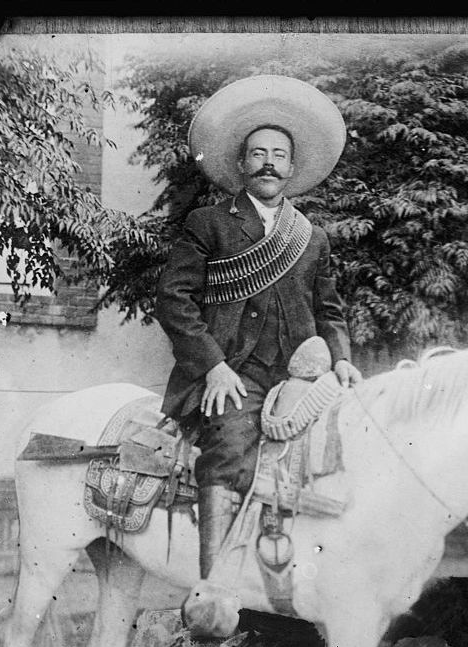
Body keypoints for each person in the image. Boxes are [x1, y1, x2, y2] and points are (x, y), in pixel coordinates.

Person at [155, 75, 362, 591]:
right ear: (242, 164)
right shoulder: (208, 223)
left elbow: (329, 309)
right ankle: (213, 590)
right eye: (258, 153)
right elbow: (173, 301)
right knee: (228, 449)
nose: (268, 162)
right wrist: (213, 366)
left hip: (299, 379)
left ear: (292, 168)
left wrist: (340, 358)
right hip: (233, 378)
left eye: (278, 155)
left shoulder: (311, 238)